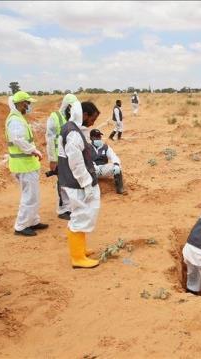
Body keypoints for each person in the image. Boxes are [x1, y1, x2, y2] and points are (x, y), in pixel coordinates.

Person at [58, 101, 102, 268]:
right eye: (93, 118)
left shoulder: (71, 128)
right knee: (80, 215)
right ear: (84, 115)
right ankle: (77, 258)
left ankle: (80, 250)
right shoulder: (73, 133)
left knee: (83, 214)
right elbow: (76, 163)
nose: (93, 123)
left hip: (75, 181)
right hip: (77, 182)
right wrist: (86, 183)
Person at [5, 91, 48, 236]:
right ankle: (21, 226)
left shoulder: (19, 118)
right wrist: (32, 150)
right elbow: (17, 139)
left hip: (27, 164)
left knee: (33, 195)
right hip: (23, 165)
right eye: (27, 103)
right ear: (20, 103)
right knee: (29, 196)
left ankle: (33, 221)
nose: (28, 106)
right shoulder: (15, 120)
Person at [46, 94, 79, 220]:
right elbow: (49, 139)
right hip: (59, 156)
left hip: (70, 155)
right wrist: (52, 159)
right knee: (62, 183)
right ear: (67, 105)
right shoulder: (55, 117)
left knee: (71, 181)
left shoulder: (73, 117)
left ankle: (69, 207)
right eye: (71, 107)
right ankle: (63, 209)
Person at [89, 129, 126, 194]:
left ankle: (120, 188)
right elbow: (84, 160)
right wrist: (93, 166)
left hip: (103, 169)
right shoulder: (87, 147)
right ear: (91, 138)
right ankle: (90, 191)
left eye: (99, 136)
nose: (98, 138)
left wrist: (116, 164)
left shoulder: (105, 147)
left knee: (117, 167)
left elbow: (113, 156)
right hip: (92, 170)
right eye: (96, 137)